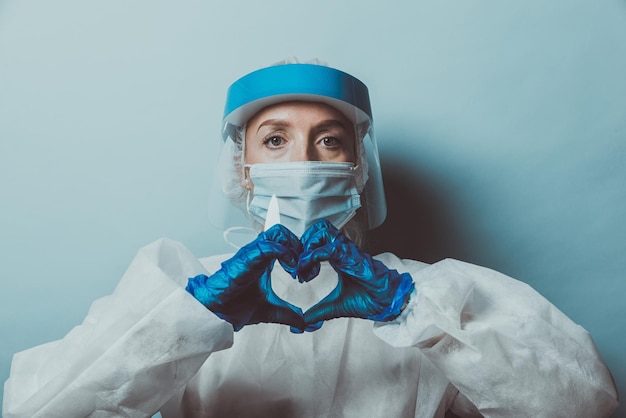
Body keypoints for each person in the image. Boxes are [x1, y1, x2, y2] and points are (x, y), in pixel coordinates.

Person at [3, 61, 619, 418]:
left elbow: (588, 408)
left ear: (357, 167)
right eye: (274, 140)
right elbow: (36, 409)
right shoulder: (182, 298)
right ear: (239, 169)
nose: (303, 161)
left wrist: (413, 311)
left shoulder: (438, 297)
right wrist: (184, 323)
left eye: (330, 140)